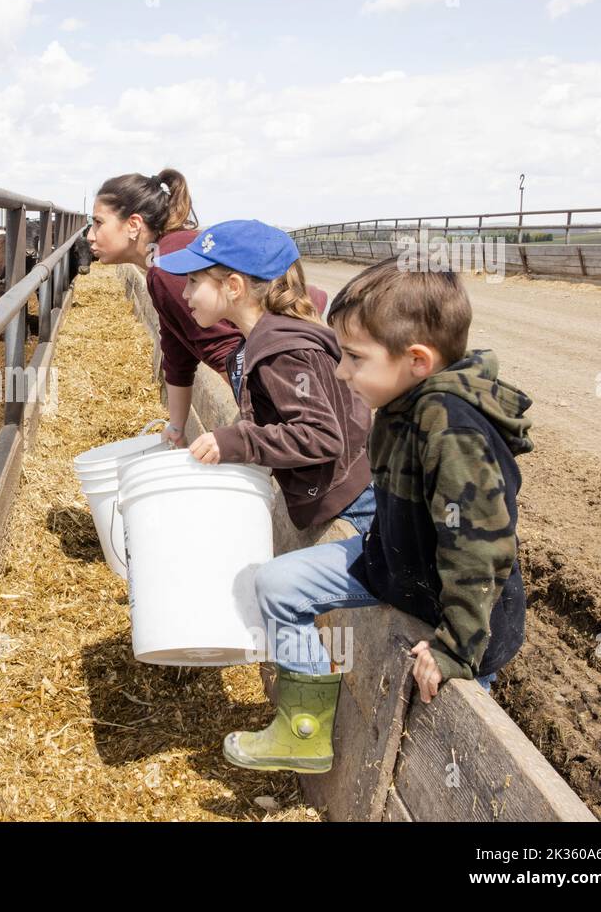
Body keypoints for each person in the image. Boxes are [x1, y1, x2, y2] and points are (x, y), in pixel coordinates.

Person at [222, 258, 533, 775]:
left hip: (462, 611)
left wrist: (454, 647)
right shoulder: (398, 404)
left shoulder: (454, 432)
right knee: (277, 583)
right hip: (392, 564)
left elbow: (479, 550)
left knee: (452, 748)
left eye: (354, 357)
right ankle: (305, 731)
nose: (341, 372)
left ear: (416, 359)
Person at [155, 220, 375, 535]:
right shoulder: (256, 344)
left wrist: (235, 441)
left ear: (233, 287)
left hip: (355, 506)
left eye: (193, 281)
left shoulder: (282, 354)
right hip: (342, 493)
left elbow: (321, 436)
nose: (185, 293)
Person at [87, 170, 328, 449]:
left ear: (133, 225)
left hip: (305, 344)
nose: (91, 236)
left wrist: (255, 429)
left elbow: (230, 350)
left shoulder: (167, 268)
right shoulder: (163, 261)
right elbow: (177, 350)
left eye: (98, 223)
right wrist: (176, 426)